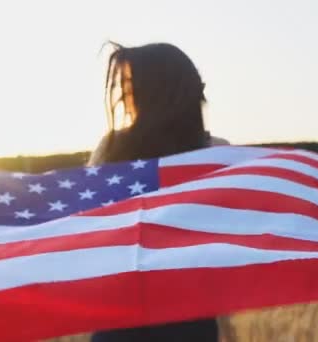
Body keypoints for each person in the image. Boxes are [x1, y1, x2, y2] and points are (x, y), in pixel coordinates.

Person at [89, 42, 230, 342]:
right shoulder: (217, 152)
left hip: (142, 315)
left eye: (132, 86)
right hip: (176, 315)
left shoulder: (113, 150)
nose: (126, 95)